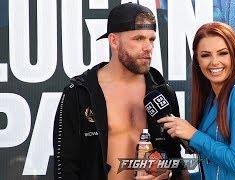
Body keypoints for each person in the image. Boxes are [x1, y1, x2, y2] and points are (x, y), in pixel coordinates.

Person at [53, 3, 187, 180]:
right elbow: (65, 168)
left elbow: (175, 160)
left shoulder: (163, 92)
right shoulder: (79, 93)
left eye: (151, 39)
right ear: (114, 41)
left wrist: (167, 173)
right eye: (138, 38)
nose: (148, 47)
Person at [158, 22, 235, 179]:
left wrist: (194, 135)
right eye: (205, 55)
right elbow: (216, 169)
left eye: (222, 53)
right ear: (197, 60)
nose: (214, 62)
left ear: (234, 55)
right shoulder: (212, 97)